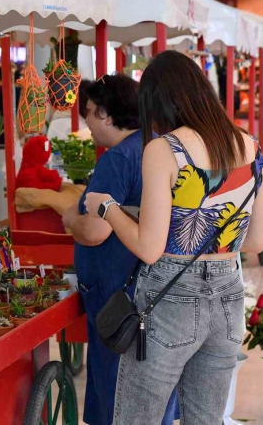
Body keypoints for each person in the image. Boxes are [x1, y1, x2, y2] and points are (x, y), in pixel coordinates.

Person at [84, 51, 263, 425]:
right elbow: (255, 241)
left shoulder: (166, 149)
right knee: (205, 419)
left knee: (140, 417)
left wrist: (106, 208)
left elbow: (150, 249)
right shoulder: (249, 146)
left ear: (158, 103)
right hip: (228, 299)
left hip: (172, 297)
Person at [62, 74, 178, 425]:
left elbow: (96, 230)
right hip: (154, 288)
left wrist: (69, 218)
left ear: (105, 114)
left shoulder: (118, 159)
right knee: (151, 386)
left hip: (117, 293)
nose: (88, 122)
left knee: (116, 385)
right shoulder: (156, 146)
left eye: (89, 112)